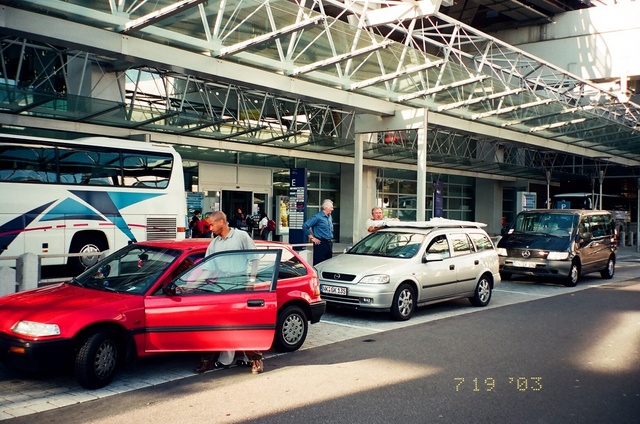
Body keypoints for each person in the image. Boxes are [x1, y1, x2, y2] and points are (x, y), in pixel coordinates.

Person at [193, 211, 264, 375]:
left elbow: (254, 259)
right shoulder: (214, 244)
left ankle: (256, 359)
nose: (209, 228)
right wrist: (191, 286)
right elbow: (207, 269)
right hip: (221, 286)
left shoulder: (241, 236)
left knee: (243, 324)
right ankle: (208, 361)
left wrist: (251, 281)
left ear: (221, 222)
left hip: (239, 283)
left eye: (211, 224)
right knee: (214, 324)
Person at [303, 199, 334, 265]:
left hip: (329, 243)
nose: (332, 209)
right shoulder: (317, 217)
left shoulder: (329, 216)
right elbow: (305, 226)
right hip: (320, 243)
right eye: (331, 207)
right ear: (326, 208)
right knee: (319, 263)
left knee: (328, 263)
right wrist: (312, 238)